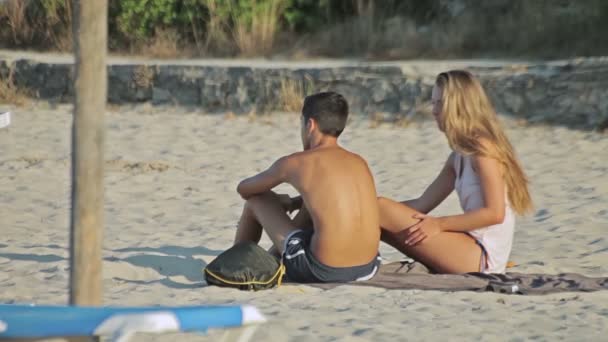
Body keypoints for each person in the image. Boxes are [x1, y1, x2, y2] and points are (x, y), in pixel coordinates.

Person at [378, 70, 533, 274]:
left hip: (482, 257)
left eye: (440, 103)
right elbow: (421, 204)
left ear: (460, 106)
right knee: (373, 213)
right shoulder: (459, 156)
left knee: (377, 208)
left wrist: (439, 225)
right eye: (433, 103)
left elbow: (495, 214)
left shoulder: (483, 150)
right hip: (467, 247)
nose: (434, 111)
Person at [234, 91, 381, 283]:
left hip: (324, 270)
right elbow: (329, 200)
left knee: (257, 201)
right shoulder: (359, 161)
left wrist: (278, 200)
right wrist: (295, 202)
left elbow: (245, 189)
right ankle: (273, 257)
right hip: (369, 266)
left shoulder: (297, 162)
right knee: (309, 207)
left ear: (310, 125)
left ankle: (236, 264)